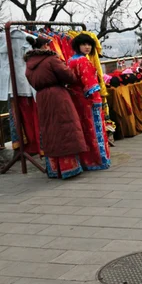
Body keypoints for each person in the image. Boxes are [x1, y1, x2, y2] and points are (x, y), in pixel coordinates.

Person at [24, 36, 87, 179]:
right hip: (58, 95)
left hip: (41, 97)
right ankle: (68, 168)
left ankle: (54, 169)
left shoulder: (29, 64)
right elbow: (69, 76)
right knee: (65, 127)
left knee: (49, 130)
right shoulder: (51, 59)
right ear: (46, 46)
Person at [67, 33, 110, 171]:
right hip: (88, 100)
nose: (87, 47)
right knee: (93, 131)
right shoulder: (83, 61)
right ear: (78, 46)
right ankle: (97, 160)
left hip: (76, 99)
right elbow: (90, 85)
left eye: (89, 44)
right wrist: (97, 100)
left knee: (83, 130)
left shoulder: (70, 60)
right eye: (84, 44)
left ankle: (85, 160)